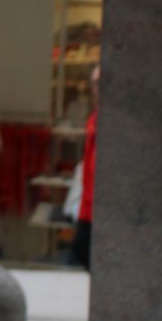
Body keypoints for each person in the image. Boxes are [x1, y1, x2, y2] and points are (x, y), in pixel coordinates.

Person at [72, 64, 99, 270]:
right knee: (82, 251)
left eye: (99, 83)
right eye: (94, 83)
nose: (96, 88)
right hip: (88, 203)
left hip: (99, 204)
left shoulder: (106, 119)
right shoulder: (95, 118)